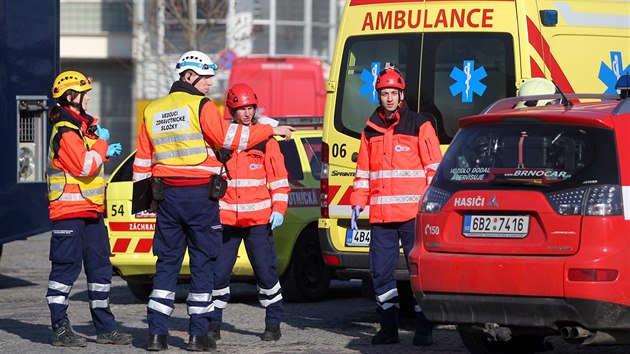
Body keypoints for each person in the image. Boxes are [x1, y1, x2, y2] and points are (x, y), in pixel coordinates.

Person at [132, 50, 294, 352]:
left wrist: (145, 200)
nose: (210, 84)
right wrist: (271, 128)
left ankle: (156, 334)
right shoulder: (201, 105)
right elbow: (230, 138)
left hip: (165, 195)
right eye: (207, 78)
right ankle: (198, 335)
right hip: (198, 196)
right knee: (204, 265)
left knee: (166, 264)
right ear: (190, 76)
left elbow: (142, 159)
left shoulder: (152, 109)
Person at [350, 67, 442, 346]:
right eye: (384, 93)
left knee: (418, 272)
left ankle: (424, 328)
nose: (389, 98)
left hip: (413, 216)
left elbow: (433, 169)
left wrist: (430, 208)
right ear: (378, 95)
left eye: (393, 93)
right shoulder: (370, 130)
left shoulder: (420, 125)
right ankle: (388, 328)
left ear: (401, 95)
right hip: (381, 217)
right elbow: (363, 173)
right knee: (380, 273)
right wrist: (357, 203)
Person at [46, 70, 132, 347]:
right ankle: (60, 328)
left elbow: (88, 158)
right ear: (71, 97)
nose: (88, 99)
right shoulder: (65, 131)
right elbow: (84, 166)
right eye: (85, 94)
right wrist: (103, 144)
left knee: (100, 271)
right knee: (65, 273)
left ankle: (105, 328)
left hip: (91, 213)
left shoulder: (81, 129)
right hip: (69, 215)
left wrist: (101, 146)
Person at [209, 83, 289, 342]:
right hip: (226, 219)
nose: (246, 113)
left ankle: (273, 322)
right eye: (241, 108)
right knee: (218, 274)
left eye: (250, 108)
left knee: (266, 273)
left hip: (258, 219)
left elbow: (278, 179)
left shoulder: (266, 141)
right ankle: (213, 324)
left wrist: (279, 209)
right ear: (232, 110)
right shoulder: (220, 140)